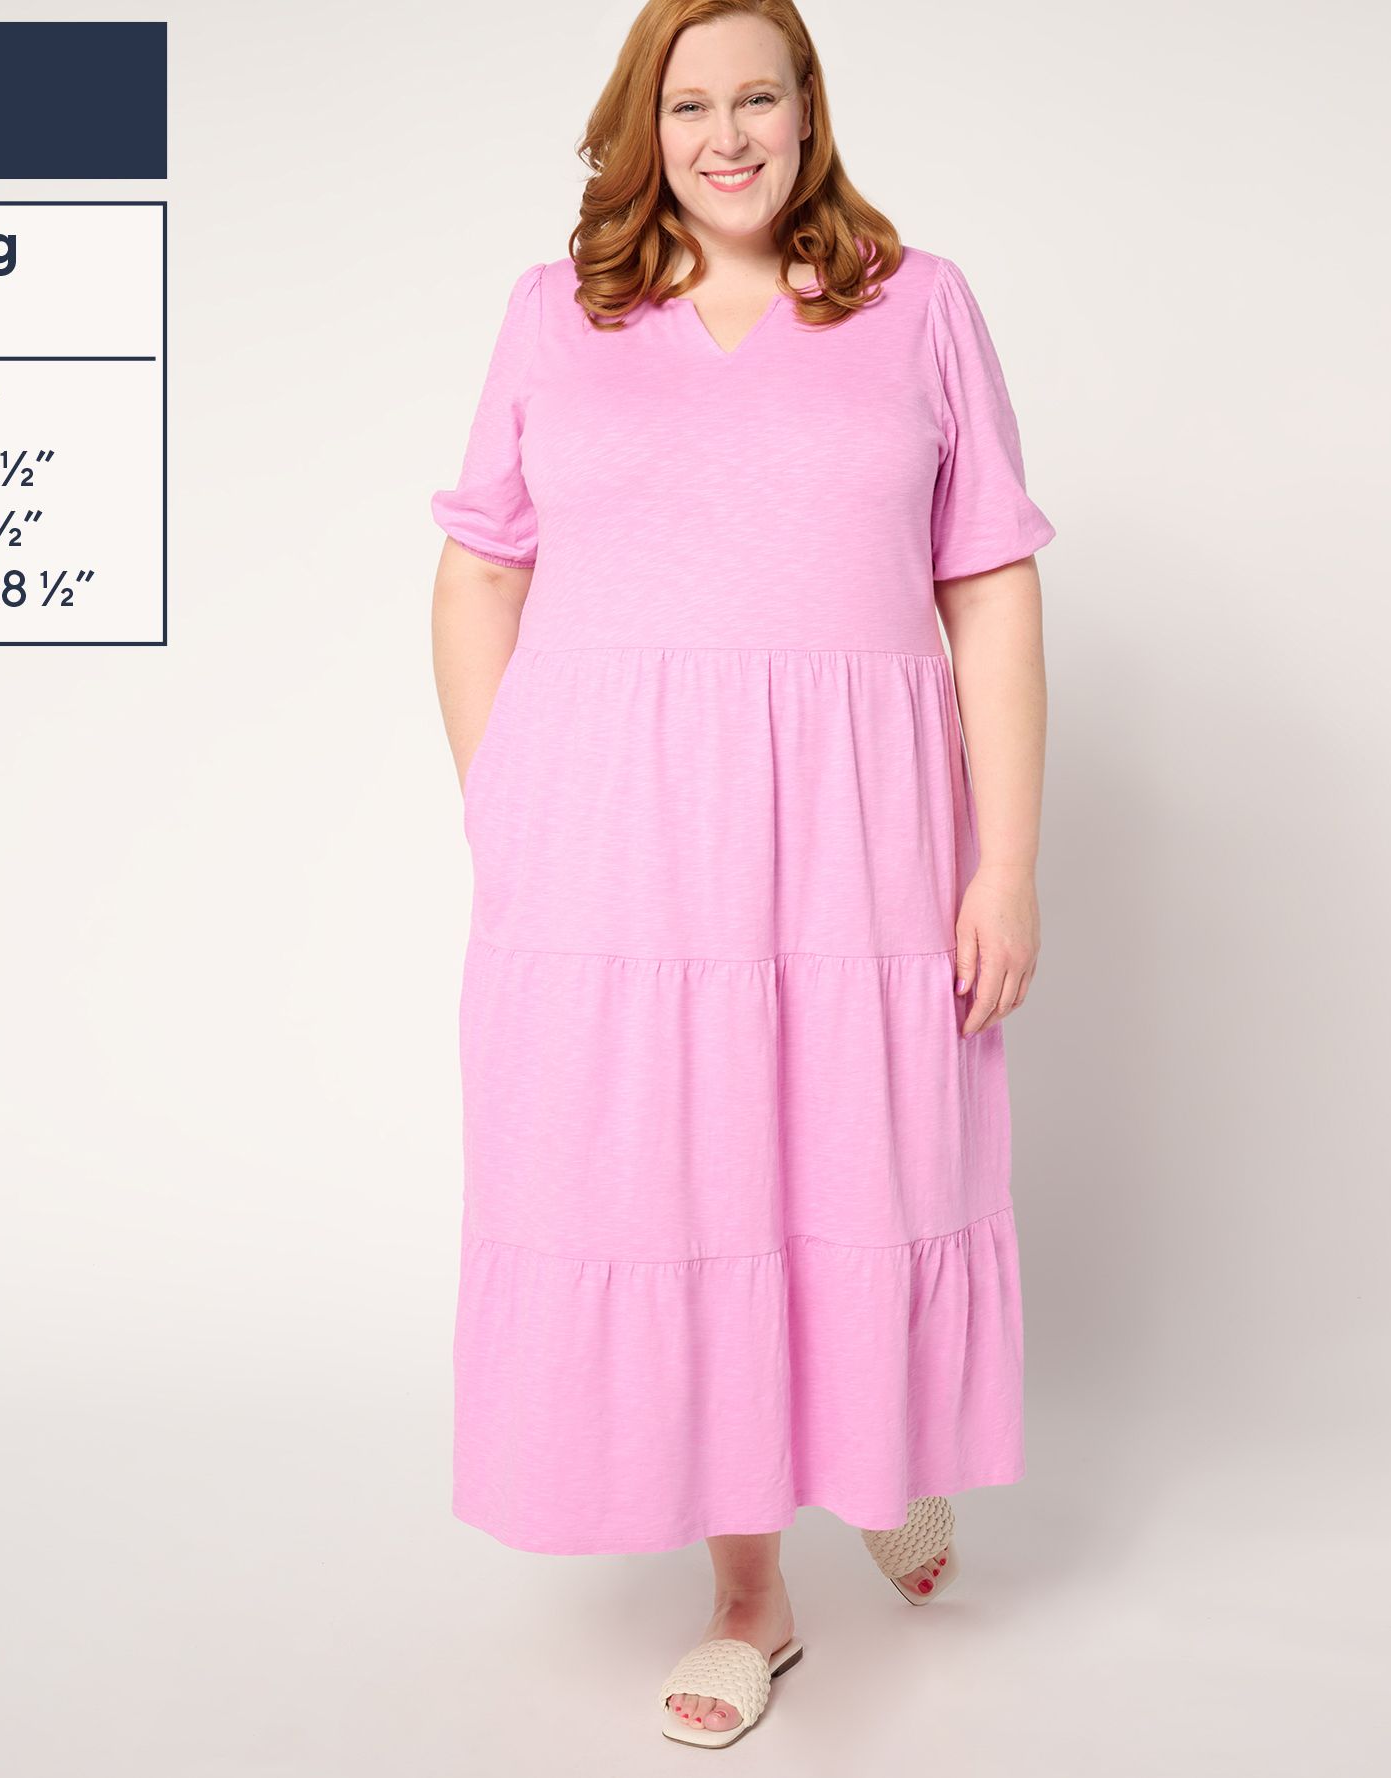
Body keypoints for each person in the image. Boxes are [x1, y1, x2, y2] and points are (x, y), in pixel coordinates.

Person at [430, 0, 1054, 1748]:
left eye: (756, 97)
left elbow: (989, 584)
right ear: (645, 124)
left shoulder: (918, 304)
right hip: (618, 849)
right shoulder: (554, 315)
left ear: (806, 110)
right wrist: (505, 803)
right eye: (690, 104)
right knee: (677, 1182)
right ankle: (751, 1595)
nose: (726, 137)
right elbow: (480, 573)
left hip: (859, 837)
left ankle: (875, 1462)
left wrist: (1008, 858)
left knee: (848, 1155)